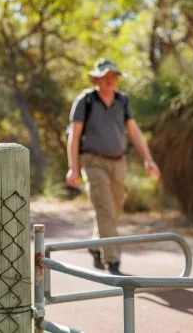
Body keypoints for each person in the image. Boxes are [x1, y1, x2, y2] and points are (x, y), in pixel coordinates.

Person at [66, 58, 160, 275]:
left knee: (115, 212)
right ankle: (113, 261)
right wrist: (74, 168)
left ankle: (95, 244)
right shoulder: (85, 101)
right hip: (93, 161)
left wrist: (148, 159)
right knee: (105, 210)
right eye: (105, 76)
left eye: (113, 76)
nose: (109, 81)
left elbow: (134, 132)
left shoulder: (122, 101)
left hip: (119, 162)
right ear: (96, 79)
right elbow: (75, 135)